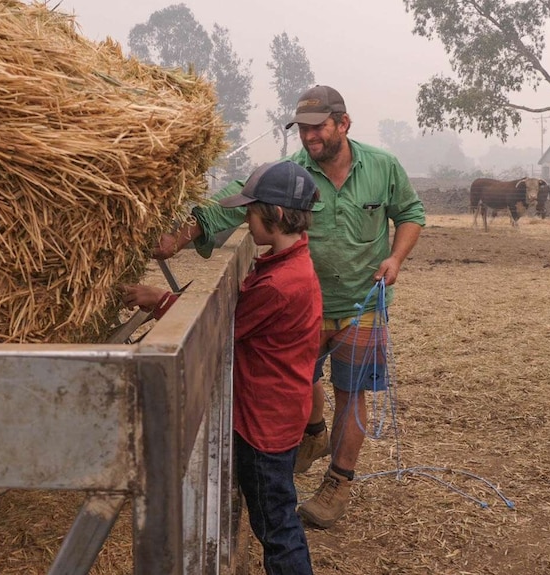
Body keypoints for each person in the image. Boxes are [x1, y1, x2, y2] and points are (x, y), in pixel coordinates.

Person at [153, 85, 426, 529]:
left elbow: (411, 212)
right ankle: (312, 434)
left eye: (318, 128)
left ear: (344, 123)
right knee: (298, 379)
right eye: (302, 129)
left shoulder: (384, 166)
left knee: (352, 395)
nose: (309, 137)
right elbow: (238, 198)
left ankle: (338, 481)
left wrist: (395, 258)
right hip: (307, 303)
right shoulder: (291, 173)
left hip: (363, 303)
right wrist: (182, 233)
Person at [126, 160, 322, 574]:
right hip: (276, 417)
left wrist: (157, 300)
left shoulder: (281, 285)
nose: (246, 220)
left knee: (277, 528)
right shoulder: (288, 266)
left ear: (279, 215)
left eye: (251, 211)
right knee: (274, 517)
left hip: (263, 427)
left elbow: (220, 326)